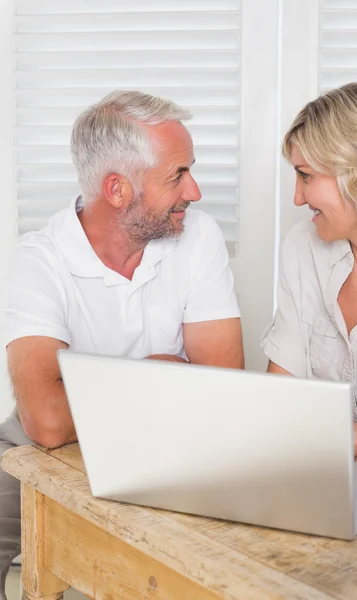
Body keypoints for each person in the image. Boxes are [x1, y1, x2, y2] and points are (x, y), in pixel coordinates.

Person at [0, 90, 244, 598]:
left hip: (167, 436)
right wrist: (161, 372)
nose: (194, 191)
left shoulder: (198, 237)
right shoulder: (36, 259)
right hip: (45, 442)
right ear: (116, 189)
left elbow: (224, 391)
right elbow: (46, 422)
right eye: (177, 175)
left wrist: (93, 387)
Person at [261, 82, 357, 458]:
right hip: (318, 476)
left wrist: (347, 438)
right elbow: (281, 399)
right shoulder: (302, 247)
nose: (297, 197)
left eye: (306, 175)